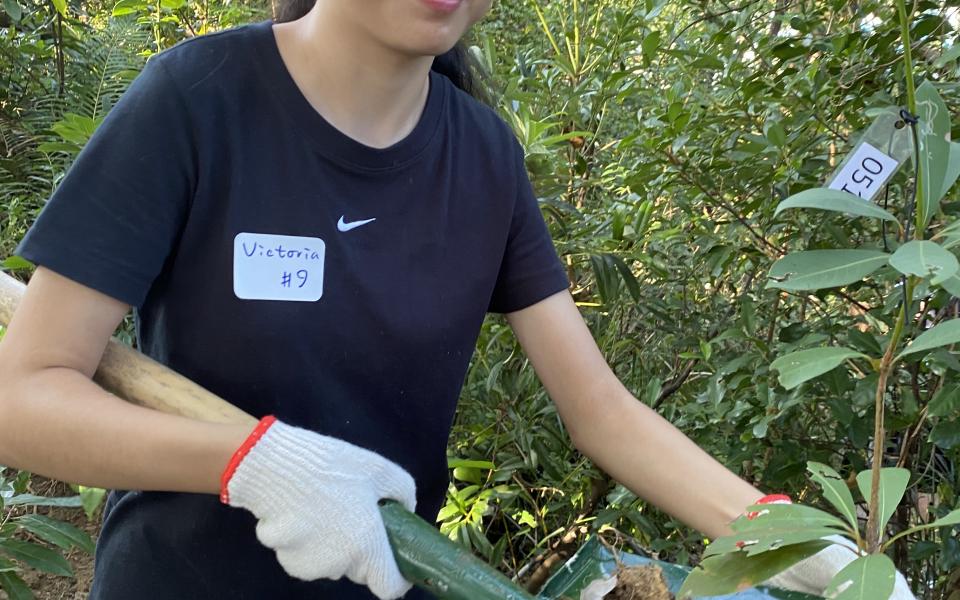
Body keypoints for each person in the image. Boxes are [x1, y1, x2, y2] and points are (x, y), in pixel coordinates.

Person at [0, 1, 915, 599]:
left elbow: (604, 414)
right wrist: (253, 463)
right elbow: (25, 399)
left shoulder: (483, 158)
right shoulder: (197, 102)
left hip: (398, 581)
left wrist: (794, 543)